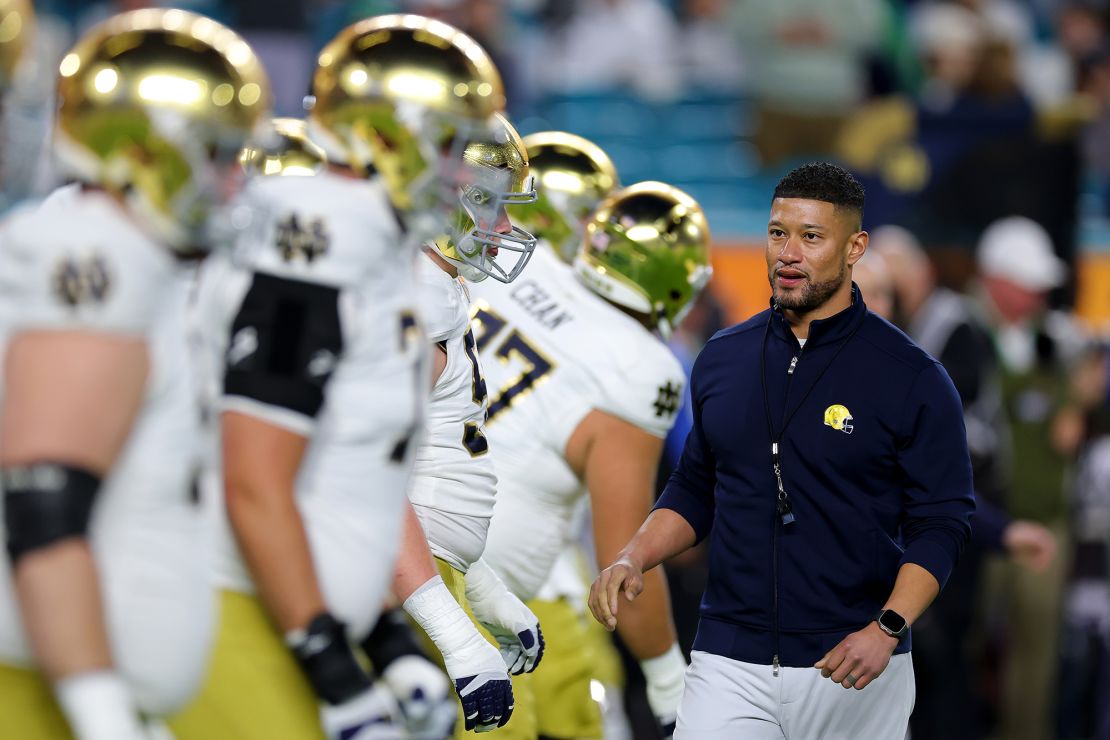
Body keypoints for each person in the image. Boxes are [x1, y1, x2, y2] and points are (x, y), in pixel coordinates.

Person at [168, 16, 518, 740]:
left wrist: (387, 639)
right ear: (393, 136)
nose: (465, 179)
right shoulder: (319, 246)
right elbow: (259, 480)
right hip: (245, 605)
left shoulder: (375, 242)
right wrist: (333, 660)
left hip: (303, 596)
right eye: (454, 148)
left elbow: (348, 473)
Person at [590, 162, 976, 739]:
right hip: (727, 657)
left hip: (855, 660)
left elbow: (943, 521)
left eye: (811, 237)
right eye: (777, 234)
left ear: (855, 248)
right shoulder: (721, 358)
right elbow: (696, 486)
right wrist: (633, 556)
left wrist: (888, 627)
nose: (788, 254)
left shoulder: (913, 378)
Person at [0, 9, 271, 740]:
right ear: (150, 151)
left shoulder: (113, 249)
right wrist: (100, 711)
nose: (231, 184)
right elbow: (42, 507)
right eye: (217, 156)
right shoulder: (102, 253)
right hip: (38, 695)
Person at [471, 134, 711, 737]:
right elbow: (624, 559)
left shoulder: (522, 267)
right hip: (475, 582)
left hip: (411, 543)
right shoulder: (642, 367)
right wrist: (667, 678)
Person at [862, 232, 1058, 739]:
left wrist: (1002, 532)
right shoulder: (782, 371)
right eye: (867, 292)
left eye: (887, 294)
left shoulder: (902, 381)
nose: (879, 306)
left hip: (880, 601)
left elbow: (937, 482)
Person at [392, 108, 547, 740]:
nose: (505, 226)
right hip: (403, 575)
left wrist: (477, 580)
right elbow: (363, 477)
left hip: (425, 563)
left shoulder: (436, 284)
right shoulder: (418, 293)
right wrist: (454, 632)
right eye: (490, 204)